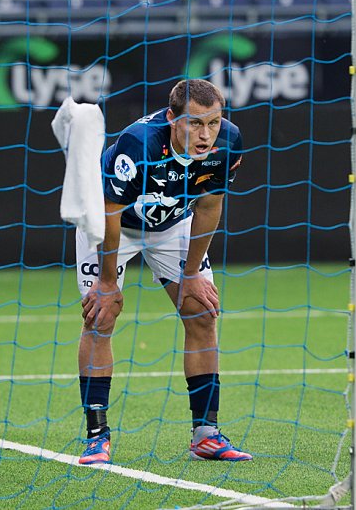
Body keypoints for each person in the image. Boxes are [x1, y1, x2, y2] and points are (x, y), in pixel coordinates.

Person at [76, 79, 250, 465]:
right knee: (100, 317)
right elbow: (109, 212)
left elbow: (209, 206)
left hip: (173, 224)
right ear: (172, 118)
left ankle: (206, 434)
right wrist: (107, 282)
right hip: (112, 224)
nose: (205, 135)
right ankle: (97, 437)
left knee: (202, 311)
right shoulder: (138, 143)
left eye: (213, 123)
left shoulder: (228, 142)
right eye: (195, 123)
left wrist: (192, 273)